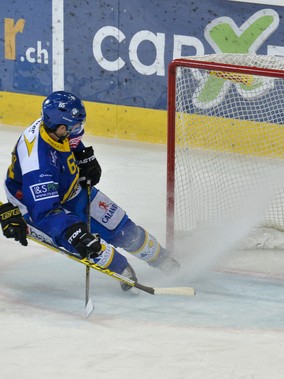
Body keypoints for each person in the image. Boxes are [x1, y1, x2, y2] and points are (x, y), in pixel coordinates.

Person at [4, 90, 179, 291]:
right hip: (35, 203)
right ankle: (119, 267)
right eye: (75, 126)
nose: (79, 131)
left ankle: (163, 259)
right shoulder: (38, 165)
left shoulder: (52, 127)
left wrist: (83, 157)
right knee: (86, 242)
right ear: (61, 128)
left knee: (123, 228)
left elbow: (71, 142)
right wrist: (70, 231)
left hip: (68, 187)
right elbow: (45, 212)